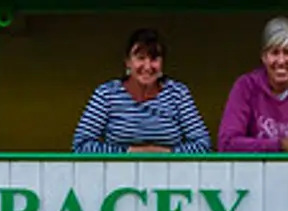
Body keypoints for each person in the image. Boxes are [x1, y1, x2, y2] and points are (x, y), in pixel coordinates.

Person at [72, 27, 211, 154]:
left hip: (171, 178)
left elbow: (203, 145)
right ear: (127, 62)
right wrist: (130, 152)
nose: (147, 66)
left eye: (154, 58)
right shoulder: (106, 94)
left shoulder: (178, 94)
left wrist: (167, 153)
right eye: (140, 58)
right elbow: (81, 145)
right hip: (117, 178)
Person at [218, 15, 288, 154]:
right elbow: (226, 144)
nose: (281, 61)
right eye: (274, 53)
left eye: (287, 52)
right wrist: (281, 145)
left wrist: (255, 146)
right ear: (264, 57)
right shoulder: (245, 86)